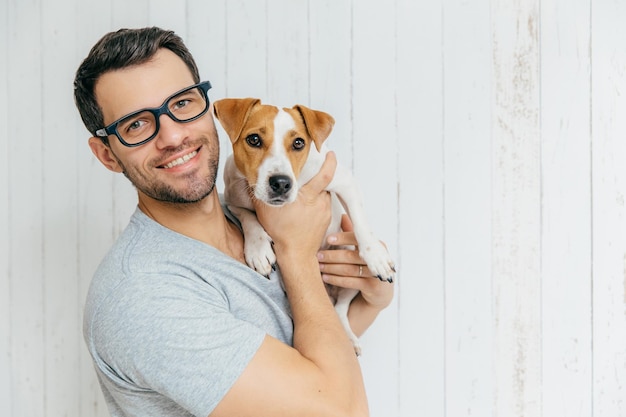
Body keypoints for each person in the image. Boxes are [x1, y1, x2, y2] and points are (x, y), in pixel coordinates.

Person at [74, 26, 394, 417]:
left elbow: (312, 363)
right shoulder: (142, 296)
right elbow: (340, 409)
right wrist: (297, 253)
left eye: (182, 103)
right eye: (136, 124)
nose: (173, 135)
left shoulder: (254, 214)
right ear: (107, 155)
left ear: (208, 106)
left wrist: (373, 302)